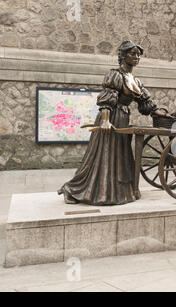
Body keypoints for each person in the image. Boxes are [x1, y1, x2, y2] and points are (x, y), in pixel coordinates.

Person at [58, 40, 165, 205]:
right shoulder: (115, 75)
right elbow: (107, 100)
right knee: (103, 157)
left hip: (123, 119)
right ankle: (72, 189)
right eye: (133, 53)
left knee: (120, 155)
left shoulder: (135, 80)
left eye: (138, 54)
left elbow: (145, 103)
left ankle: (119, 192)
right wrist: (106, 121)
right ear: (122, 56)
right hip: (111, 118)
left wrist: (158, 112)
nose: (136, 57)